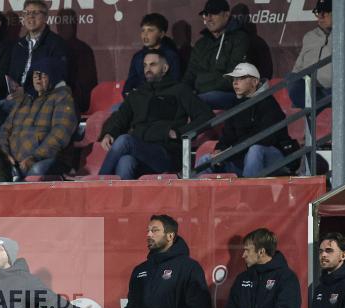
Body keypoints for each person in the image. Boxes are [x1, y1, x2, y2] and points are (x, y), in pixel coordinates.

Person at [99, 51, 213, 180]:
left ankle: (95, 186)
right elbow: (120, 119)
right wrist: (109, 133)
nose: (148, 69)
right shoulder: (137, 94)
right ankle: (119, 198)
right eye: (145, 65)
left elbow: (206, 116)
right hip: (141, 151)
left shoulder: (180, 90)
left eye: (153, 65)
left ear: (164, 68)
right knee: (126, 161)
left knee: (125, 141)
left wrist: (179, 132)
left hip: (166, 153)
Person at [197, 63, 294, 178]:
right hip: (241, 157)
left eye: (240, 79)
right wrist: (220, 150)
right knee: (206, 160)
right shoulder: (236, 105)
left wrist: (231, 151)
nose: (235, 82)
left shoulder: (269, 103)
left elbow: (264, 138)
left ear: (254, 82)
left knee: (255, 150)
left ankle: (250, 193)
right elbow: (228, 134)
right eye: (233, 79)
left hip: (274, 158)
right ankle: (197, 195)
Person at [288, 0, 345, 109]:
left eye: (325, 12)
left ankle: (315, 109)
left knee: (310, 102)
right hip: (310, 92)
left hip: (337, 90)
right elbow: (298, 69)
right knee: (292, 80)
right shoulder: (310, 36)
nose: (320, 16)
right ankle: (316, 107)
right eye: (317, 12)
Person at [0, 57, 77, 179]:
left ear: (53, 76)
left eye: (43, 74)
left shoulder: (62, 98)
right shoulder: (24, 99)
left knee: (37, 170)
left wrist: (35, 157)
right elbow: (5, 129)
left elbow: (60, 134)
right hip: (13, 160)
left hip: (45, 160)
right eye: (35, 74)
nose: (38, 78)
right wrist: (5, 154)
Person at [183, 0, 249, 110]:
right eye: (206, 14)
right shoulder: (201, 44)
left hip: (229, 94)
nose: (208, 18)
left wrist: (201, 85)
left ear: (226, 15)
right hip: (202, 93)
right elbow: (190, 75)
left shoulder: (240, 38)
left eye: (214, 13)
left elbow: (234, 77)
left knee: (198, 101)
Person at [7, 1, 67, 99]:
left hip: (40, 99)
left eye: (35, 13)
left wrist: (27, 93)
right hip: (15, 99)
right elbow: (12, 76)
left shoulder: (56, 44)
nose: (30, 16)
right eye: (27, 13)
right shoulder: (19, 45)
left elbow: (57, 79)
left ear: (45, 17)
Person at [123, 13, 182, 97]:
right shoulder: (137, 57)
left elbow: (174, 82)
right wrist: (127, 94)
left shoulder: (171, 56)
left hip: (160, 100)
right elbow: (131, 81)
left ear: (161, 34)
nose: (145, 34)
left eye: (150, 30)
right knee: (114, 108)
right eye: (143, 30)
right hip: (138, 99)